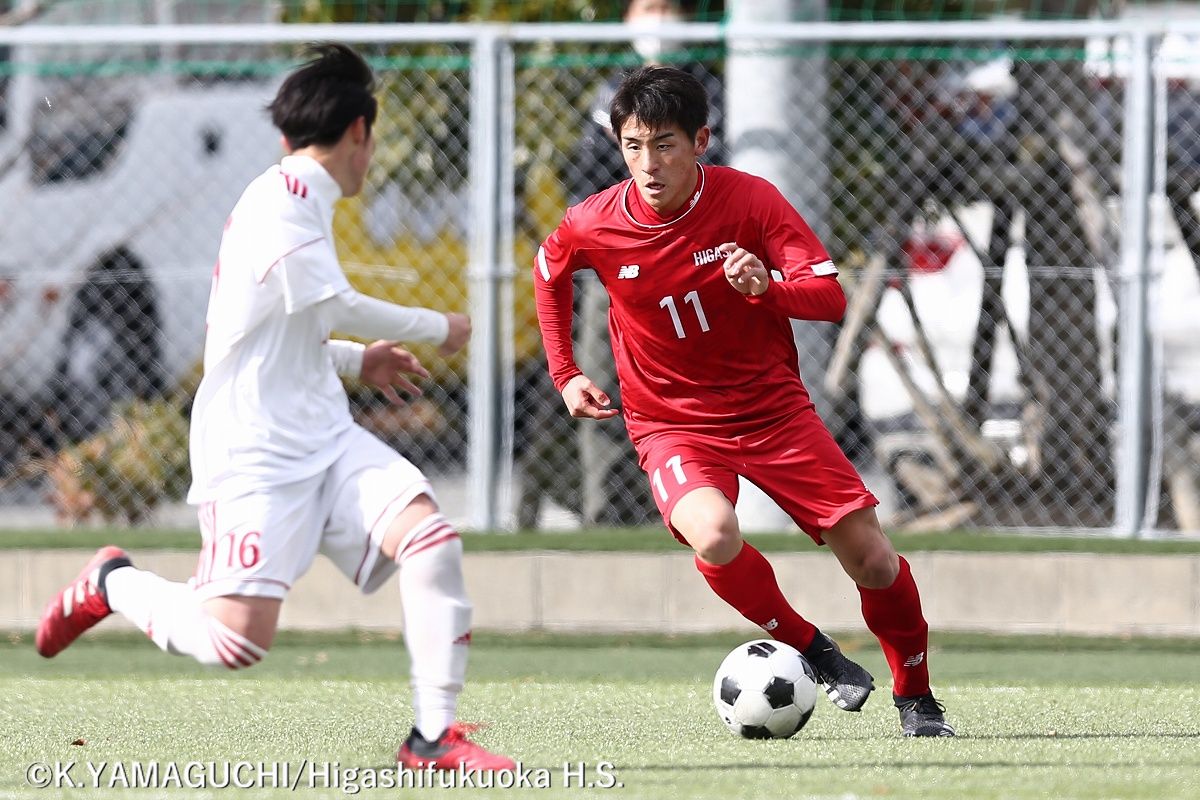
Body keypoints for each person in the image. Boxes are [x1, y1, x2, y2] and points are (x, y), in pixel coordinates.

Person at [34, 43, 515, 771]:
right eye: (371, 139)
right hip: (254, 451)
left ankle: (432, 736)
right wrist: (438, 324)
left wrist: (360, 360)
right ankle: (113, 582)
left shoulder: (302, 198)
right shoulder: (280, 199)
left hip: (323, 433)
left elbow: (287, 327)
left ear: (287, 134)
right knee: (235, 642)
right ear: (360, 132)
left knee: (430, 539)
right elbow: (334, 303)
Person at [533, 65, 955, 737]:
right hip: (670, 423)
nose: (648, 164)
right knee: (715, 533)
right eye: (634, 146)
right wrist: (565, 374)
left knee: (871, 557)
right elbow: (548, 269)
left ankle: (917, 697)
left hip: (772, 412)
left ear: (701, 141)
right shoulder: (596, 221)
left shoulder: (751, 201)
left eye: (665, 144)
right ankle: (813, 647)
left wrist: (767, 290)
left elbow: (829, 296)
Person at [568, 0, 723, 526]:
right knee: (603, 385)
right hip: (616, 269)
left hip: (690, 269)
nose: (657, 20)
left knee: (691, 388)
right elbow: (584, 177)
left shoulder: (711, 94)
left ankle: (690, 509)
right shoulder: (610, 96)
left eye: (666, 7)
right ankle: (608, 510)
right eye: (647, 7)